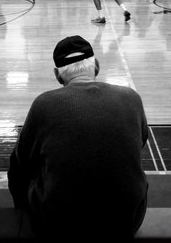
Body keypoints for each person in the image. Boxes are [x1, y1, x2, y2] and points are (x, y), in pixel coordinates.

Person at [8, 35, 149, 239]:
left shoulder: (44, 104)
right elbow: (139, 143)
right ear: (97, 66)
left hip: (58, 226)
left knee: (34, 165)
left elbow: (20, 164)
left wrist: (20, 206)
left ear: (58, 75)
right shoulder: (131, 98)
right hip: (128, 222)